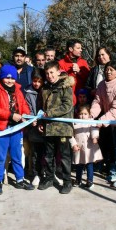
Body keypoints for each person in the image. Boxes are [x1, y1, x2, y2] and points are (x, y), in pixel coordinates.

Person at [0, 65, 34, 195]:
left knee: (17, 155)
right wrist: (10, 115)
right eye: (7, 77)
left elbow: (23, 105)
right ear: (2, 77)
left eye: (12, 78)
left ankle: (20, 179)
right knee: (0, 157)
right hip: (1, 129)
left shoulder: (18, 90)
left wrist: (25, 115)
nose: (9, 80)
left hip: (15, 129)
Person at [38, 61, 75, 194]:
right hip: (49, 128)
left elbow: (67, 106)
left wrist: (50, 114)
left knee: (65, 156)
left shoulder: (66, 87)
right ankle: (48, 178)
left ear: (58, 72)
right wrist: (42, 122)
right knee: (48, 155)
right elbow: (42, 108)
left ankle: (67, 182)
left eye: (52, 72)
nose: (49, 75)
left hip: (63, 128)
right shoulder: (45, 89)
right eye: (47, 73)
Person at [71, 104, 103, 189]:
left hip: (89, 147)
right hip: (79, 148)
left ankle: (90, 181)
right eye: (81, 114)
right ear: (78, 114)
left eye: (85, 114)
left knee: (89, 164)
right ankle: (78, 179)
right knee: (79, 165)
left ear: (89, 114)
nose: (83, 116)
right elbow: (71, 135)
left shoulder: (91, 122)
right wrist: (73, 144)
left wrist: (95, 137)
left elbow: (94, 129)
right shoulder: (75, 123)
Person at [24, 68, 45, 187]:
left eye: (39, 81)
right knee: (35, 152)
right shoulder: (28, 92)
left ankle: (47, 173)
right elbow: (27, 109)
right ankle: (36, 174)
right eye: (34, 81)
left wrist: (42, 122)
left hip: (46, 125)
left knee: (47, 152)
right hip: (33, 128)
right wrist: (32, 119)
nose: (36, 84)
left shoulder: (46, 90)